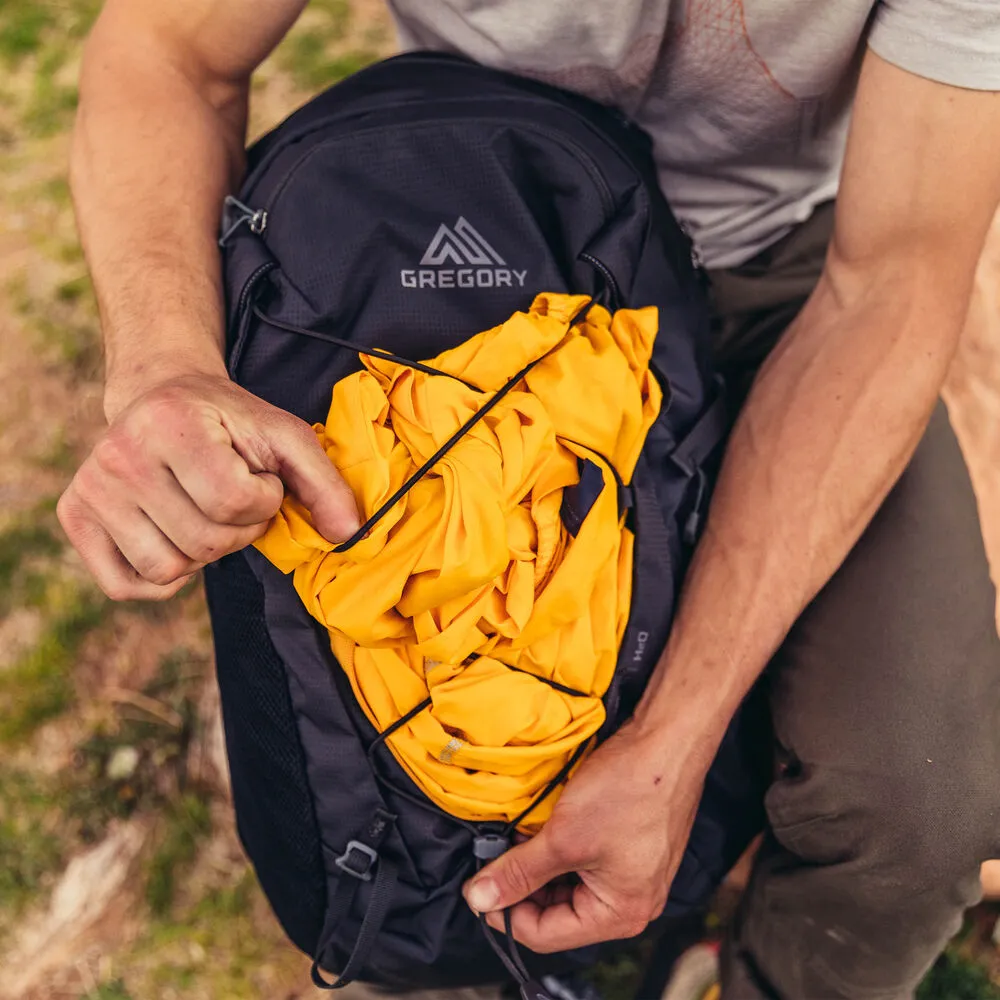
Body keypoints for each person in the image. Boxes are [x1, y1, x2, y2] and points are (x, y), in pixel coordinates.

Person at [57, 1, 1000, 997]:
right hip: (478, 246)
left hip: (785, 284)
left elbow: (890, 279)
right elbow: (163, 53)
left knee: (919, 814)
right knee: (412, 800)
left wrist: (668, 745)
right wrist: (164, 364)